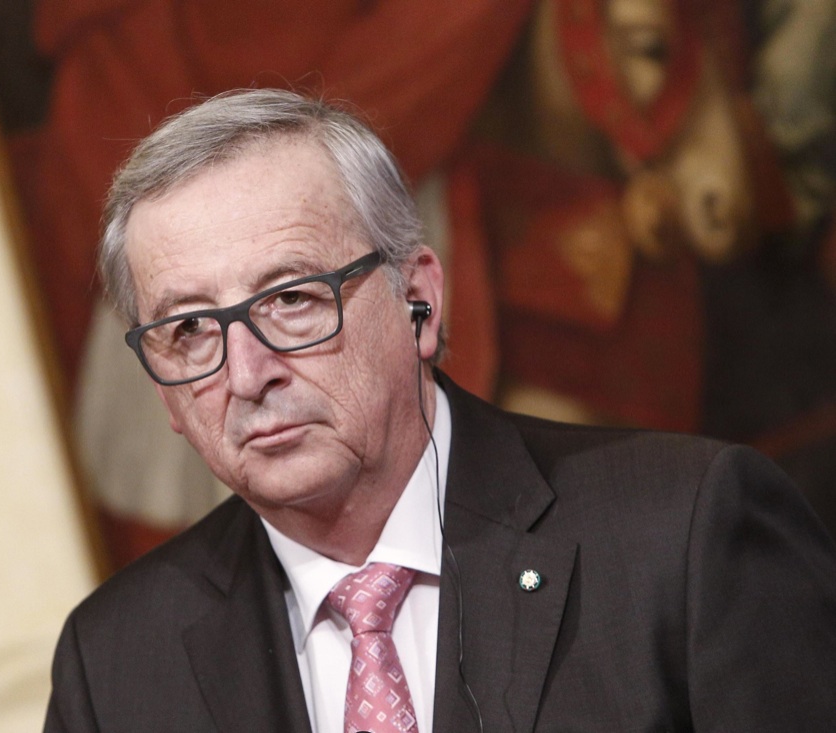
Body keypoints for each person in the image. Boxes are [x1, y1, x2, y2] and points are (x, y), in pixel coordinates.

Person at [43, 89, 836, 732]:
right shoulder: (115, 662)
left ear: (418, 300)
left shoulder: (683, 532)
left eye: (291, 298)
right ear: (164, 390)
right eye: (189, 330)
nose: (247, 374)